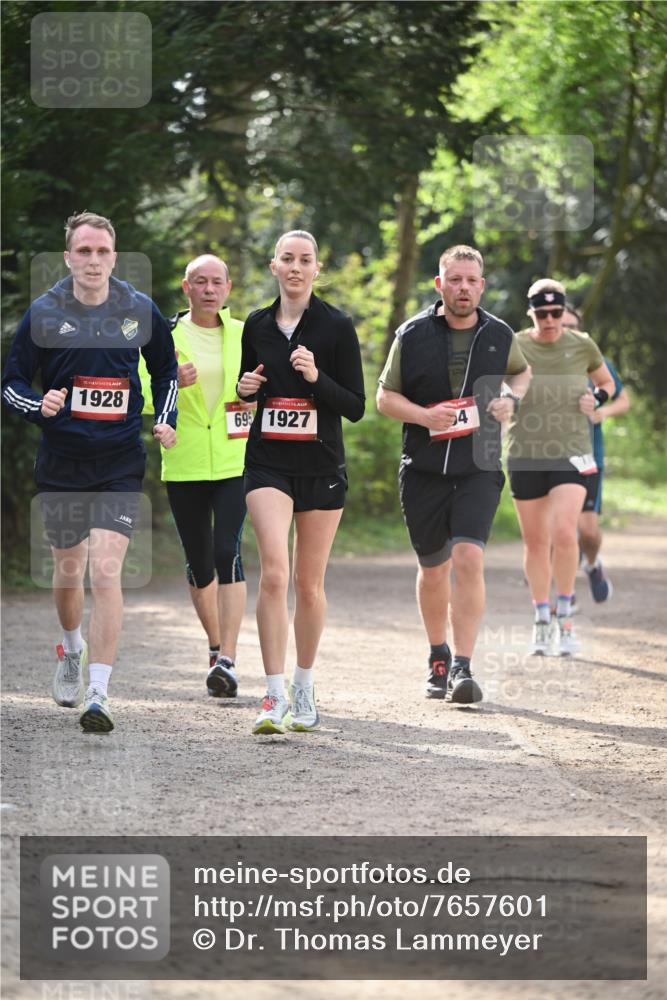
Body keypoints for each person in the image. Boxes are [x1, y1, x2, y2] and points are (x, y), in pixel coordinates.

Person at [2, 212, 178, 733]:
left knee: (105, 571)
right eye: (84, 252)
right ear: (69, 257)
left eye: (102, 252)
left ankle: (98, 693)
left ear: (114, 257)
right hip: (62, 461)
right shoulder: (44, 312)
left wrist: (164, 420)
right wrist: (41, 404)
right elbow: (11, 382)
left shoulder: (138, 308)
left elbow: (166, 369)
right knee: (68, 571)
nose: (94, 261)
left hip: (120, 460)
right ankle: (72, 649)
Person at [377, 245, 531, 703]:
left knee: (469, 558)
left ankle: (463, 666)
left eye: (471, 280)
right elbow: (385, 398)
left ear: (482, 286)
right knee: (434, 568)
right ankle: (437, 656)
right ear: (439, 283)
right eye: (454, 279)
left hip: (479, 465)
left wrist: (512, 399)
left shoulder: (501, 334)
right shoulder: (412, 333)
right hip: (423, 468)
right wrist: (425, 418)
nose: (463, 288)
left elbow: (522, 374)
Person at [236, 230, 365, 735]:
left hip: (322, 465)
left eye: (304, 260)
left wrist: (316, 377)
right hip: (267, 463)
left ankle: (304, 684)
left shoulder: (336, 326)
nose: (295, 267)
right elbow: (248, 391)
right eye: (287, 258)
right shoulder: (257, 324)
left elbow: (354, 406)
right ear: (273, 267)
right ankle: (272, 695)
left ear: (316, 270)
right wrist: (244, 389)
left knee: (308, 584)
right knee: (273, 573)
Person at [140, 254, 252, 697]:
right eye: (200, 282)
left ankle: (229, 658)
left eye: (217, 282)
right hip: (184, 461)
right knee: (199, 563)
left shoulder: (246, 333)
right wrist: (170, 384)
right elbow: (141, 392)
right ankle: (214, 645)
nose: (209, 289)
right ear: (187, 288)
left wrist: (254, 393)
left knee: (228, 550)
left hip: (234, 459)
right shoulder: (164, 336)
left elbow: (263, 384)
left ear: (228, 288)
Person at [507, 281, 615, 657]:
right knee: (536, 542)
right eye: (542, 313)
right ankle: (541, 619)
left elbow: (607, 382)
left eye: (556, 312)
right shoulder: (515, 344)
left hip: (572, 452)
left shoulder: (582, 344)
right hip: (525, 452)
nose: (550, 320)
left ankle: (566, 619)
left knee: (565, 533)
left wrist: (596, 397)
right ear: (531, 313)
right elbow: (496, 387)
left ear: (564, 311)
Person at [562, 304, 630, 603]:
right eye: (559, 324)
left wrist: (603, 413)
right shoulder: (538, 361)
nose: (565, 331)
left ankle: (592, 564)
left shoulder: (595, 362)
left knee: (587, 531)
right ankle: (564, 593)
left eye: (571, 326)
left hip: (589, 456)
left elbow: (623, 400)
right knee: (562, 527)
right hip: (550, 455)